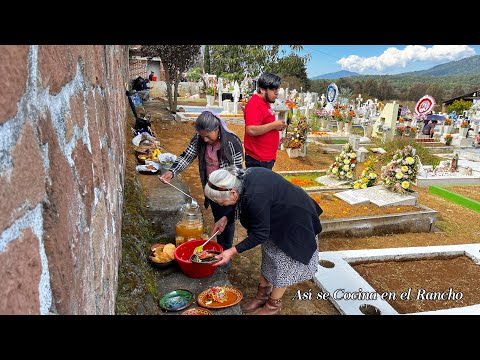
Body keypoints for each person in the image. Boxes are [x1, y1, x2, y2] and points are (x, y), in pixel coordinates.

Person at [205, 167, 323, 315]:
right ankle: (262, 296)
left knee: (283, 264)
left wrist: (231, 251)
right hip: (273, 218)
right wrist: (225, 218)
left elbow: (259, 234)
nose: (221, 205)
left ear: (233, 192)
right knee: (269, 257)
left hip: (294, 221)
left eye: (221, 202)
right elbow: (241, 204)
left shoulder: (255, 196)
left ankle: (273, 305)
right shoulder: (241, 181)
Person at [158, 111, 244, 255]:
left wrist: (231, 193)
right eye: (202, 135)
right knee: (218, 216)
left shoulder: (231, 142)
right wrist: (172, 172)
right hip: (211, 189)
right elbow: (187, 156)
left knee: (227, 220)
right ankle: (220, 249)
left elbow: (238, 172)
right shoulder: (199, 138)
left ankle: (225, 251)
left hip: (228, 191)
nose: (204, 140)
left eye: (208, 136)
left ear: (217, 130)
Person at [243, 72, 287, 169]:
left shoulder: (265, 103)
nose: (276, 92)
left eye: (277, 89)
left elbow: (264, 126)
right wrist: (274, 125)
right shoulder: (254, 104)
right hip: (258, 160)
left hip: (265, 158)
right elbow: (251, 130)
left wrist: (277, 130)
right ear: (262, 89)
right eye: (273, 89)